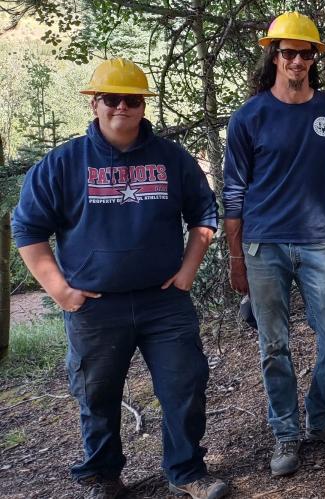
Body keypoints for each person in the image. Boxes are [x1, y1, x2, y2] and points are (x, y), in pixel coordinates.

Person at [12, 59, 228, 499]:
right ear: (95, 104)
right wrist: (61, 292)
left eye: (132, 100)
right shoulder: (64, 163)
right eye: (112, 99)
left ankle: (186, 472)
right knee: (97, 397)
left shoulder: (171, 159)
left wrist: (187, 271)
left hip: (163, 301)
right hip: (94, 306)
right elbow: (28, 230)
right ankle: (103, 477)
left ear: (143, 105)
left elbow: (204, 213)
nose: (122, 108)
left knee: (184, 386)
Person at [223, 11, 325, 477]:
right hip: (265, 247)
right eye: (288, 52)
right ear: (274, 56)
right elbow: (234, 193)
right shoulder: (250, 116)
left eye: (305, 52)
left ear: (314, 58)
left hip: (318, 243)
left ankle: (319, 419)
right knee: (273, 347)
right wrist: (236, 257)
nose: (296, 60)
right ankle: (285, 433)